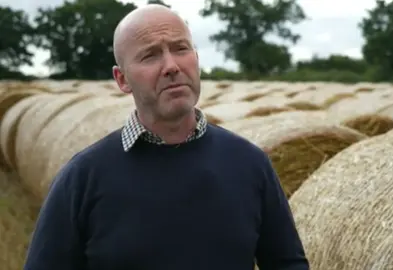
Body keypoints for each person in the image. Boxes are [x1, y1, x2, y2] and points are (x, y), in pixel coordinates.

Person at [23, 4, 309, 270]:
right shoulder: (83, 178)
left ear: (196, 59)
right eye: (150, 55)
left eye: (180, 48)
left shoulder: (250, 164)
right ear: (122, 79)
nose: (171, 65)